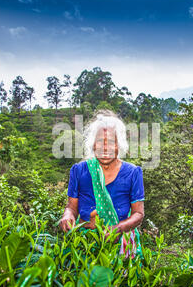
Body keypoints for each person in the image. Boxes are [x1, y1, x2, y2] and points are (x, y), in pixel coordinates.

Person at [59, 110, 145, 258]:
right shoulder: (79, 171)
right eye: (100, 141)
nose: (105, 147)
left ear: (119, 145)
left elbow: (138, 213)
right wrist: (67, 215)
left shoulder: (132, 173)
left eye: (111, 141)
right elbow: (72, 207)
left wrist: (119, 228)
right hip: (85, 243)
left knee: (121, 281)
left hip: (120, 243)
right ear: (93, 144)